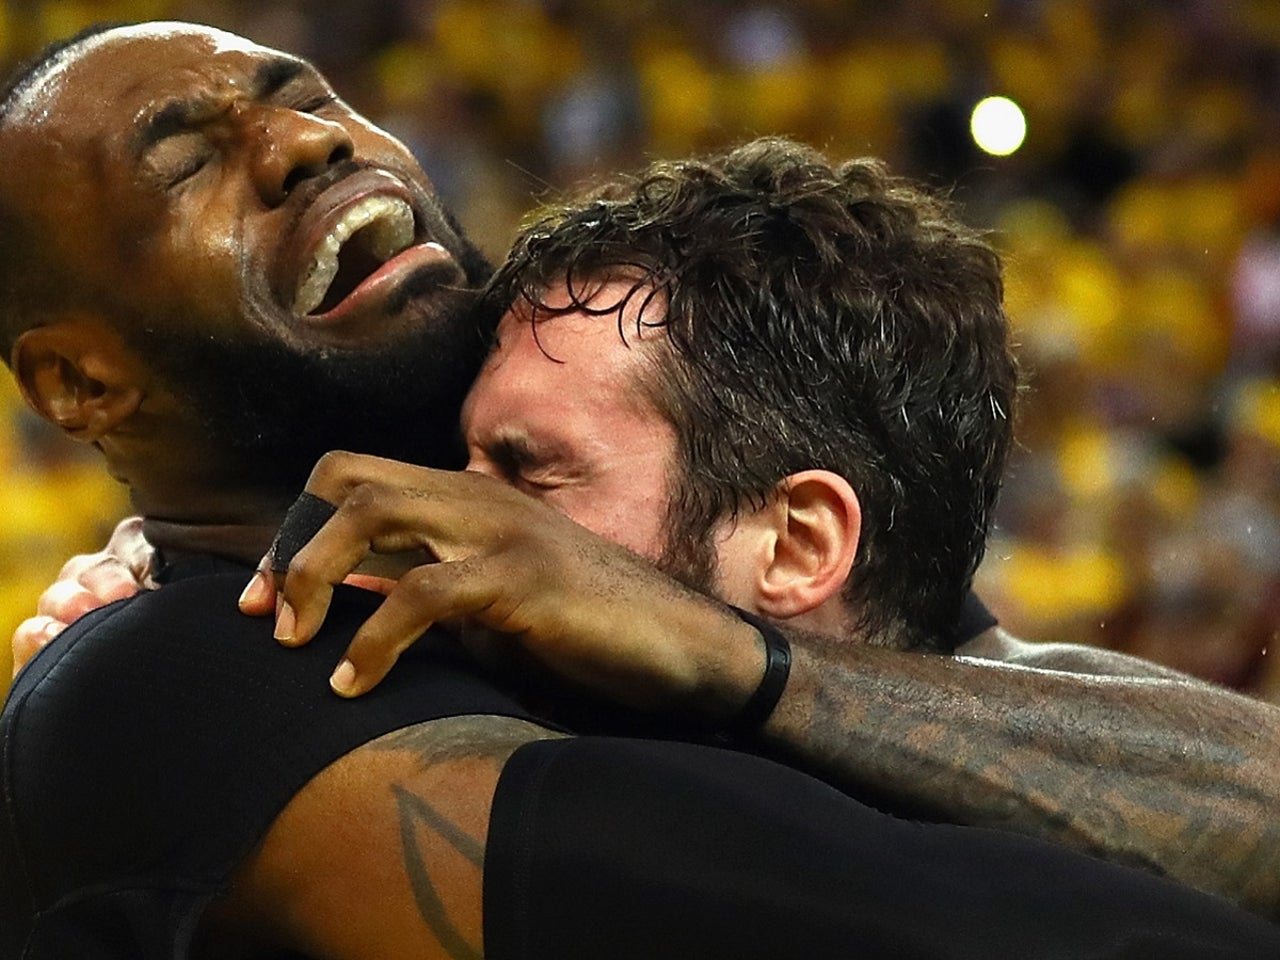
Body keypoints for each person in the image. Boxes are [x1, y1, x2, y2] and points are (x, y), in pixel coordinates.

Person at [9, 20, 1278, 959]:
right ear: (80, 383)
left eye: (310, 93)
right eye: (185, 165)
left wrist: (734, 657)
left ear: (799, 542)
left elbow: (1217, 784)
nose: (305, 140)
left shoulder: (673, 615)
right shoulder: (183, 674)